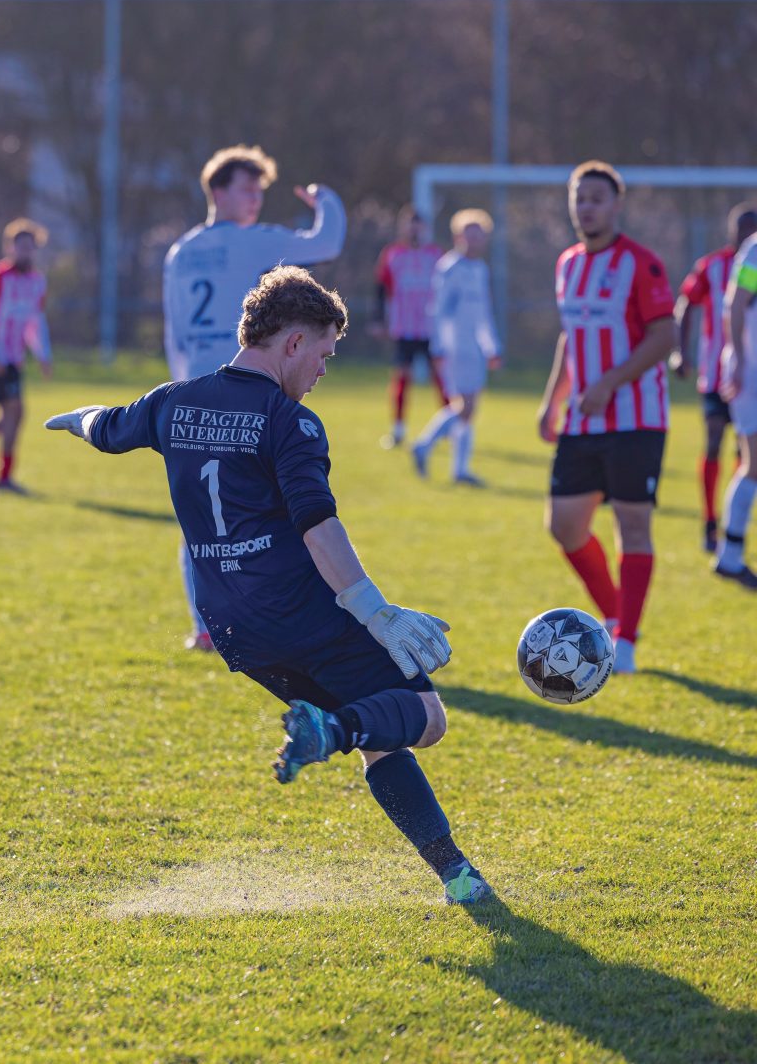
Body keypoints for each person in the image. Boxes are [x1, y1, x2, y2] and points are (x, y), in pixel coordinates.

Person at [45, 265, 491, 906]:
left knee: (374, 730)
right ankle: (332, 737)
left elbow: (108, 428)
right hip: (301, 611)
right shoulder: (290, 421)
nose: (323, 371)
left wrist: (77, 419)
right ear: (293, 342)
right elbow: (317, 525)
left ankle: (457, 875)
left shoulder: (173, 401)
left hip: (234, 626)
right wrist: (377, 611)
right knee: (423, 718)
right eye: (323, 355)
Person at [163, 143, 346, 651]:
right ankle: (273, 618)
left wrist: (180, 388)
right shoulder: (250, 242)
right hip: (247, 390)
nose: (255, 199)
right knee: (275, 504)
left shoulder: (180, 251)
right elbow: (326, 241)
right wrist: (325, 199)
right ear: (217, 190)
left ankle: (207, 626)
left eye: (259, 191)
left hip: (196, 390)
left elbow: (173, 330)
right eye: (247, 188)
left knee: (202, 510)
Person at [537, 161, 676, 675]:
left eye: (596, 198)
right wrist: (553, 399)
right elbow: (569, 336)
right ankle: (615, 614)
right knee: (564, 526)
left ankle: (628, 641)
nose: (587, 207)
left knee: (632, 527)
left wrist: (609, 384)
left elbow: (665, 336)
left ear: (616, 205)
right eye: (580, 198)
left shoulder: (641, 263)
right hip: (582, 422)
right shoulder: (567, 263)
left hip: (637, 420)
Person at [671, 204, 757, 551]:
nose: (746, 233)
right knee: (717, 442)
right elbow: (692, 304)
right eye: (742, 228)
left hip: (745, 373)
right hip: (725, 372)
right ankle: (712, 523)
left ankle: (732, 532)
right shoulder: (719, 264)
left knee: (746, 456)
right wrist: (681, 352)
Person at [411, 209, 502, 486]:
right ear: (458, 236)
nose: (474, 240)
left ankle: (460, 469)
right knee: (465, 406)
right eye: (469, 234)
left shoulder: (480, 269)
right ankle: (424, 445)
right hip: (455, 348)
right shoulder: (449, 268)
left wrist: (491, 346)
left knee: (468, 409)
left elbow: (483, 313)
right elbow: (438, 311)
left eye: (479, 235)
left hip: (475, 348)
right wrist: (439, 348)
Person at [371, 205, 447, 448]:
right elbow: (381, 288)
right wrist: (378, 320)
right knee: (402, 376)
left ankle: (450, 427)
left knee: (442, 377)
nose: (414, 231)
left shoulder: (436, 255)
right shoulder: (392, 254)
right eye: (410, 226)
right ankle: (398, 430)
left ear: (425, 229)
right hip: (404, 327)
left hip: (431, 328)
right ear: (403, 228)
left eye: (418, 226)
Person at [0, 218, 52, 492]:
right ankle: (4, 479)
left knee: (14, 415)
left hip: (13, 359)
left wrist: (43, 355)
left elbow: (34, 322)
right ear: (9, 247)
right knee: (13, 411)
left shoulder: (37, 282)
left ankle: (4, 477)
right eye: (20, 246)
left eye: (29, 247)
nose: (25, 252)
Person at [714, 230, 757, 588]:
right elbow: (736, 302)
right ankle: (729, 555)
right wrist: (740, 358)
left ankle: (730, 554)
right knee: (754, 462)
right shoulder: (756, 249)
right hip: (751, 372)